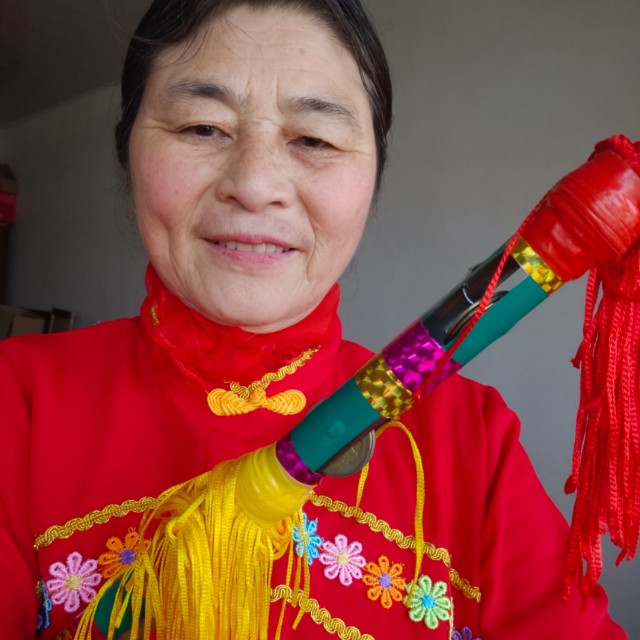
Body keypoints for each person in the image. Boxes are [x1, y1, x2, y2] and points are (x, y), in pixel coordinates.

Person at [0, 0, 628, 638]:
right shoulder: (15, 401)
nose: (255, 184)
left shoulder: (472, 441)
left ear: (373, 176)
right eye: (201, 128)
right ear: (127, 150)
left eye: (314, 140)